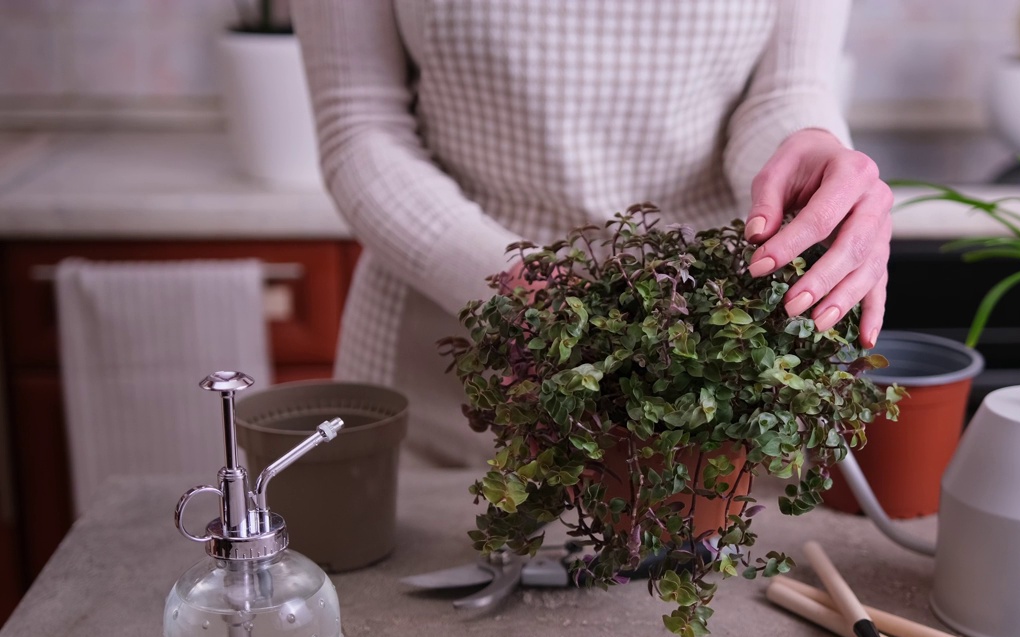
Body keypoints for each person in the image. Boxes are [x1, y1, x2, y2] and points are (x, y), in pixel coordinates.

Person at [294, 0, 892, 466]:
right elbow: (359, 120)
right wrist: (511, 291)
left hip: (702, 368)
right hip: (452, 366)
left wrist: (808, 148)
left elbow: (783, 90)